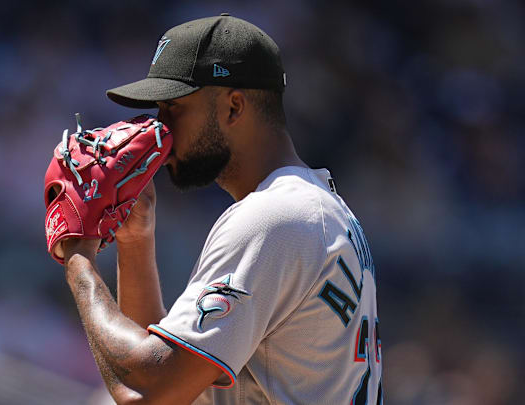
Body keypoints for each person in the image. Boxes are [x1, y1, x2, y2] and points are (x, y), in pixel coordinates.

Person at [59, 14, 382, 404]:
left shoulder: (273, 217)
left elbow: (147, 392)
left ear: (233, 107)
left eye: (173, 108)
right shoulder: (314, 207)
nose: (157, 130)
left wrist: (79, 258)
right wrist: (136, 241)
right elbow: (167, 377)